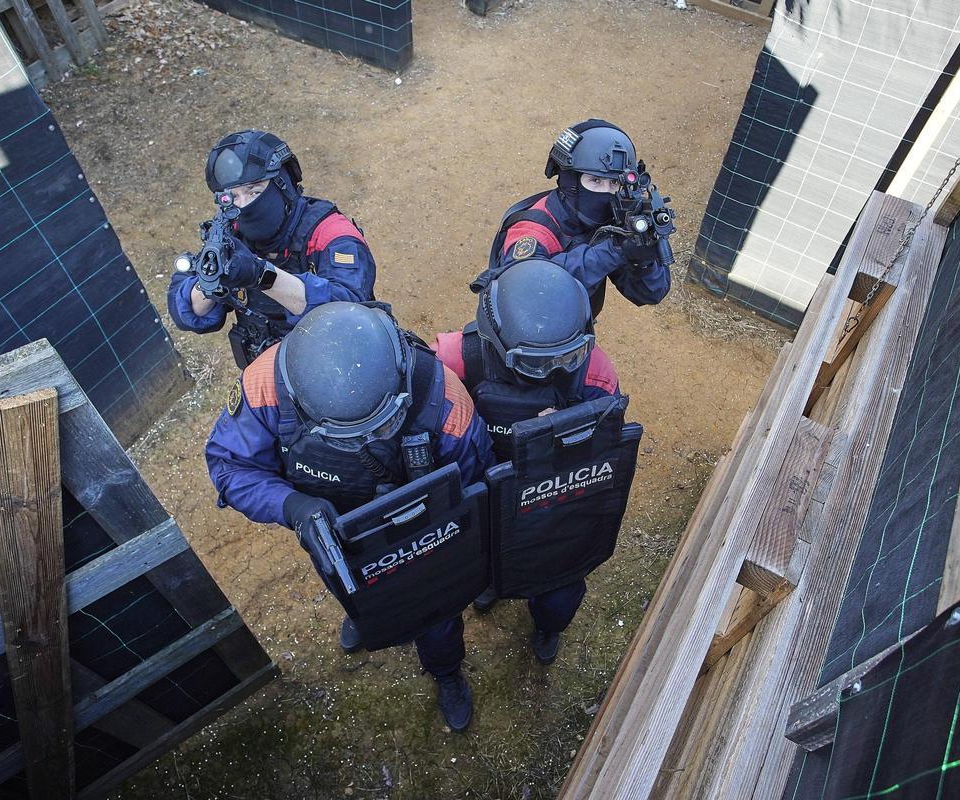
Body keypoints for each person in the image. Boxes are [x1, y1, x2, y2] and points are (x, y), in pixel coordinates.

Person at [205, 302, 495, 731]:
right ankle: (365, 616)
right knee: (346, 584)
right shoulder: (265, 385)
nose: (368, 440)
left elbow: (477, 486)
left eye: (380, 427)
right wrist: (294, 507)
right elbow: (229, 464)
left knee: (437, 616)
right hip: (333, 529)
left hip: (421, 529)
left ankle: (446, 671)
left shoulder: (443, 397)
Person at [433, 259, 622, 664]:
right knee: (480, 563)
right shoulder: (453, 359)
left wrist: (563, 438)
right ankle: (490, 582)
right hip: (480, 489)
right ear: (495, 344)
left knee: (560, 590)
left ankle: (547, 624)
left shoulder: (595, 372)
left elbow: (605, 449)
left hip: (550, 492)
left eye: (568, 356)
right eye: (535, 362)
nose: (553, 371)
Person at [168, 130, 377, 367]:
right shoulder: (230, 234)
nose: (244, 205)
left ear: (283, 185)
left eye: (255, 191)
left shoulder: (330, 235)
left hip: (342, 368)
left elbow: (350, 315)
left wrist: (261, 276)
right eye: (233, 197)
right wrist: (211, 279)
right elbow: (186, 311)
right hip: (269, 371)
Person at [477, 119, 671, 317]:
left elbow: (651, 293)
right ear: (570, 182)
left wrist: (643, 260)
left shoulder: (611, 222)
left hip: (575, 334)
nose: (606, 192)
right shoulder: (534, 230)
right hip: (520, 339)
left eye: (614, 183)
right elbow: (528, 292)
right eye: (595, 180)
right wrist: (613, 251)